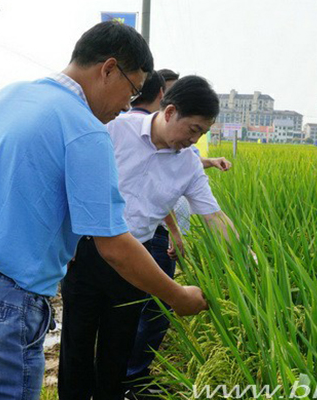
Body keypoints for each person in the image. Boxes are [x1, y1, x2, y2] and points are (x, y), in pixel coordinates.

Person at [0, 21, 207, 400]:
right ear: (108, 69)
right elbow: (114, 246)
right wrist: (177, 296)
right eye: (132, 89)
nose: (129, 104)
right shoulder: (87, 130)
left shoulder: (5, 97)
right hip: (0, 304)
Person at [60, 75, 246, 400]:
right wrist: (64, 235)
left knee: (117, 350)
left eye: (202, 134)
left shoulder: (189, 165)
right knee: (77, 343)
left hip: (135, 262)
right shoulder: (117, 130)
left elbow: (214, 216)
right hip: (87, 252)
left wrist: (249, 257)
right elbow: (70, 176)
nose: (195, 140)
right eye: (193, 130)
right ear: (170, 111)